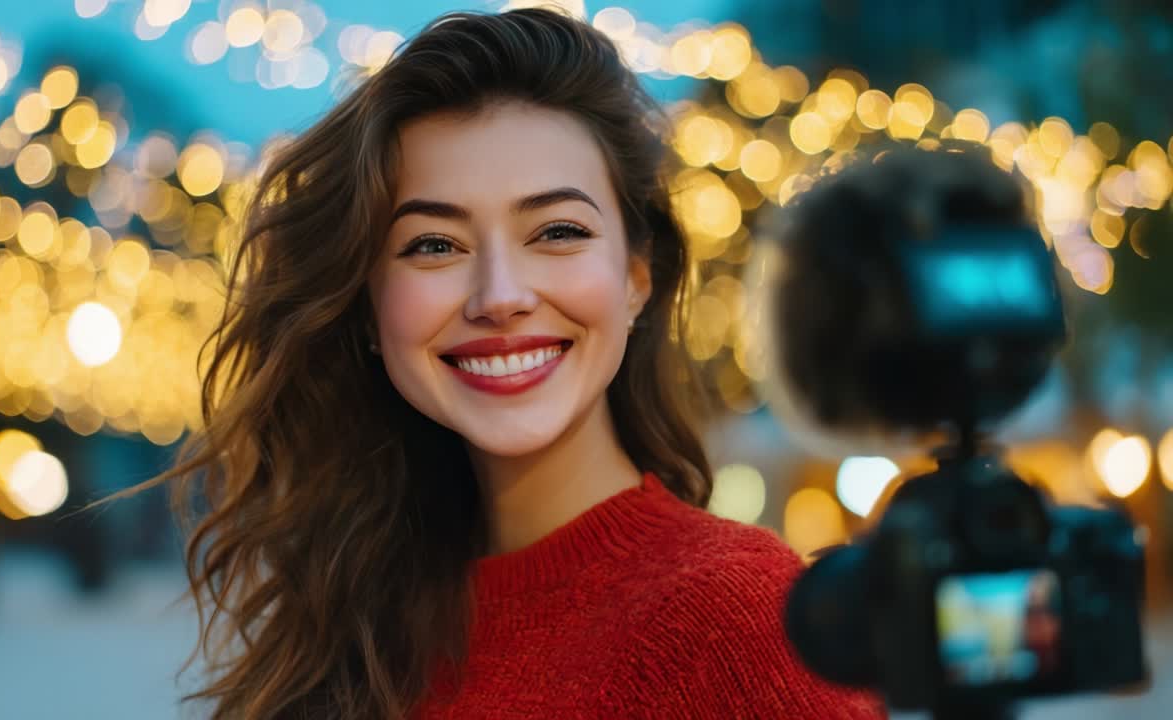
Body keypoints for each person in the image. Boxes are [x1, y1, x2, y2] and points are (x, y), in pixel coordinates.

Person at [110, 8, 887, 719]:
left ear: (636, 277)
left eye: (557, 232)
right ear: (370, 309)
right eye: (434, 245)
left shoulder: (730, 616)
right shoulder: (360, 620)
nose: (500, 296)